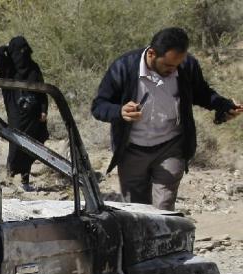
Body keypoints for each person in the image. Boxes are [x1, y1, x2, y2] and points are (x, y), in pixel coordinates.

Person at [91, 27, 241, 210]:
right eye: (169, 65)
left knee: (163, 208)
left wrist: (223, 105)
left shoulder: (186, 66)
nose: (174, 70)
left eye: (178, 65)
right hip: (131, 151)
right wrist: (119, 111)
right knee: (137, 211)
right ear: (152, 54)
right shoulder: (123, 67)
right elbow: (99, 106)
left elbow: (202, 94)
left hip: (171, 147)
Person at [0, 36, 48, 191]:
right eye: (19, 50)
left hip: (33, 116)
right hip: (17, 115)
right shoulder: (9, 68)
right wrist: (6, 47)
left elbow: (43, 90)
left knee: (31, 147)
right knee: (16, 145)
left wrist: (44, 110)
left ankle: (25, 180)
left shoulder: (33, 67)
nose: (22, 54)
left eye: (25, 50)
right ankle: (9, 178)